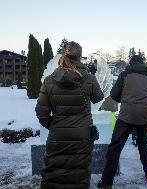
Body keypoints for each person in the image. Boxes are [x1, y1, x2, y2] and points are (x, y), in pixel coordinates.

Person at [35, 41, 104, 189]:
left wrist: (55, 125)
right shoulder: (89, 78)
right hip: (82, 135)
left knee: (53, 174)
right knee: (79, 175)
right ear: (80, 57)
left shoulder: (49, 81)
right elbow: (99, 98)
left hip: (57, 135)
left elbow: (41, 112)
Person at [97, 55, 147, 189]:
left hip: (126, 115)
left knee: (115, 147)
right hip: (145, 116)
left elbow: (114, 95)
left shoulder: (124, 74)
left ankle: (106, 182)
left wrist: (127, 98)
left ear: (131, 63)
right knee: (144, 147)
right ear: (143, 63)